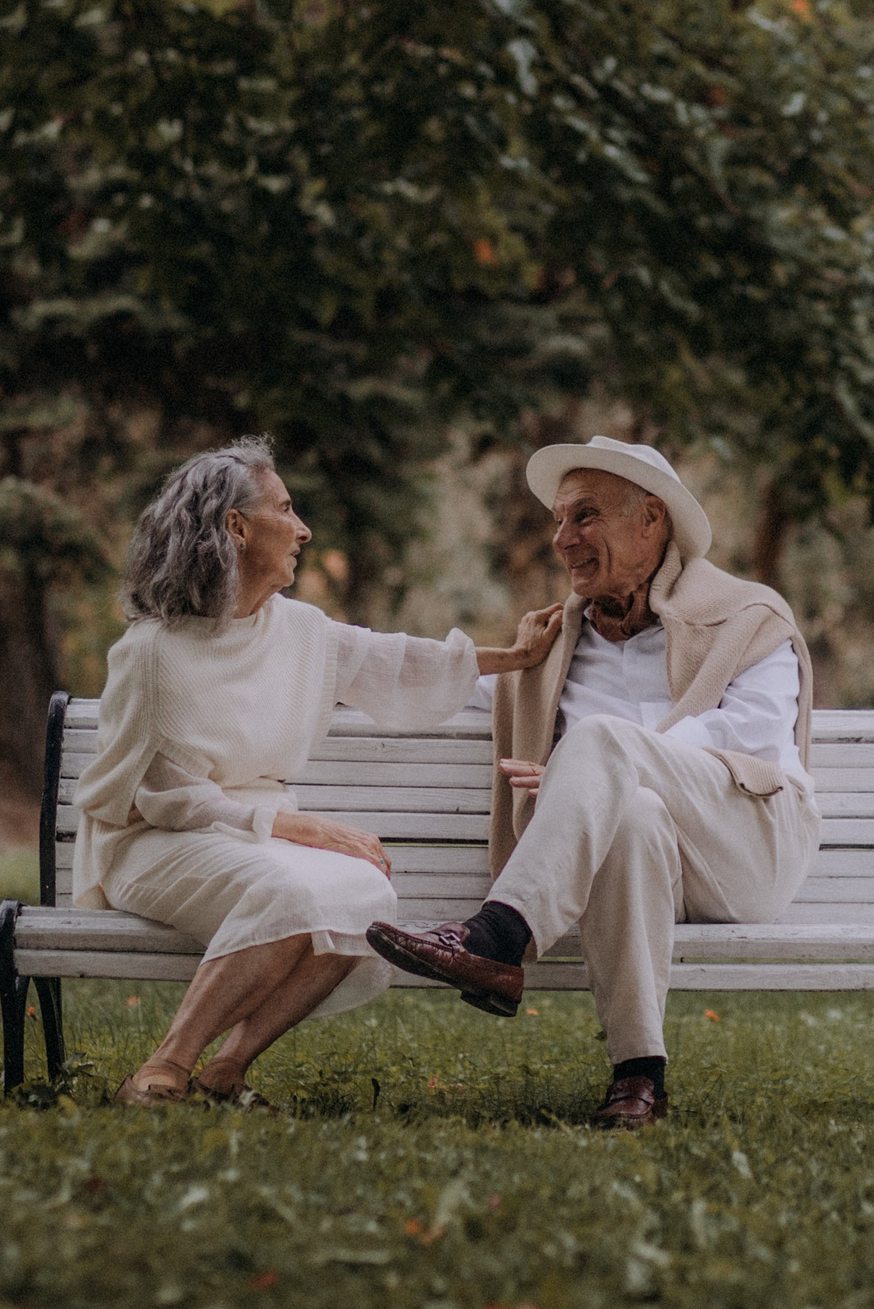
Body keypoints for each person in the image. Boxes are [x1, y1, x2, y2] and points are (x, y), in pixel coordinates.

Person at [76, 436, 563, 1109]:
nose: (303, 529)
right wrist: (307, 829)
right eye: (285, 508)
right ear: (236, 528)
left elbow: (396, 662)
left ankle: (227, 1070)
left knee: (365, 896)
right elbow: (171, 801)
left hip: (257, 835)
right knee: (291, 894)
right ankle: (164, 1068)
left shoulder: (298, 630)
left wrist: (513, 658)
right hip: (153, 840)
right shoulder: (155, 653)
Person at [368, 436, 820, 1129]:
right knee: (633, 812)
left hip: (749, 847)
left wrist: (596, 766)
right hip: (646, 859)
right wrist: (330, 678)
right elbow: (455, 691)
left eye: (585, 517)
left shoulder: (750, 618)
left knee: (604, 746)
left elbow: (751, 738)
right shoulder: (548, 645)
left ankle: (497, 938)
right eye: (559, 520)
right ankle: (639, 1077)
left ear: (651, 521)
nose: (562, 539)